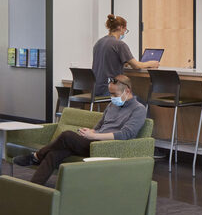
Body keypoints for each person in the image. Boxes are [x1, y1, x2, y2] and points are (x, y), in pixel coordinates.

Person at [13, 74, 147, 186]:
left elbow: (126, 134)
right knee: (54, 154)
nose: (112, 97)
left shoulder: (138, 109)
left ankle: (36, 156)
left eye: (114, 94)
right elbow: (100, 126)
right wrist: (91, 132)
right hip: (93, 141)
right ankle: (34, 188)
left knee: (67, 136)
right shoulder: (112, 105)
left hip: (106, 147)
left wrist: (94, 137)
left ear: (127, 91)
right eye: (110, 93)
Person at [92, 15, 159, 98]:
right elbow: (136, 65)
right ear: (120, 27)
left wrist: (123, 63)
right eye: (125, 30)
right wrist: (150, 63)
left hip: (96, 88)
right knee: (140, 104)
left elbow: (106, 61)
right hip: (111, 89)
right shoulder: (119, 44)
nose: (124, 33)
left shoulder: (99, 43)